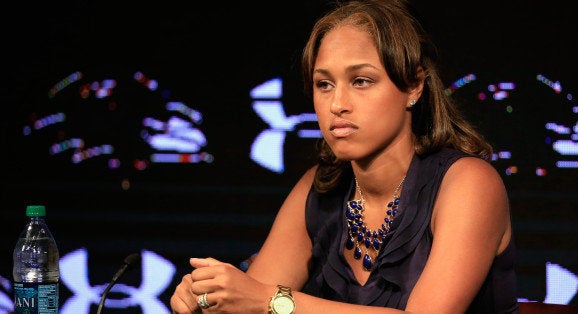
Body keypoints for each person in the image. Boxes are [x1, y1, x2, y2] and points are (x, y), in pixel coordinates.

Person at [170, 0, 518, 312]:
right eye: (324, 84)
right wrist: (207, 296)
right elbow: (248, 299)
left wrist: (272, 301)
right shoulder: (320, 187)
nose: (337, 105)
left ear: (413, 86)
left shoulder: (469, 183)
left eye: (361, 81)